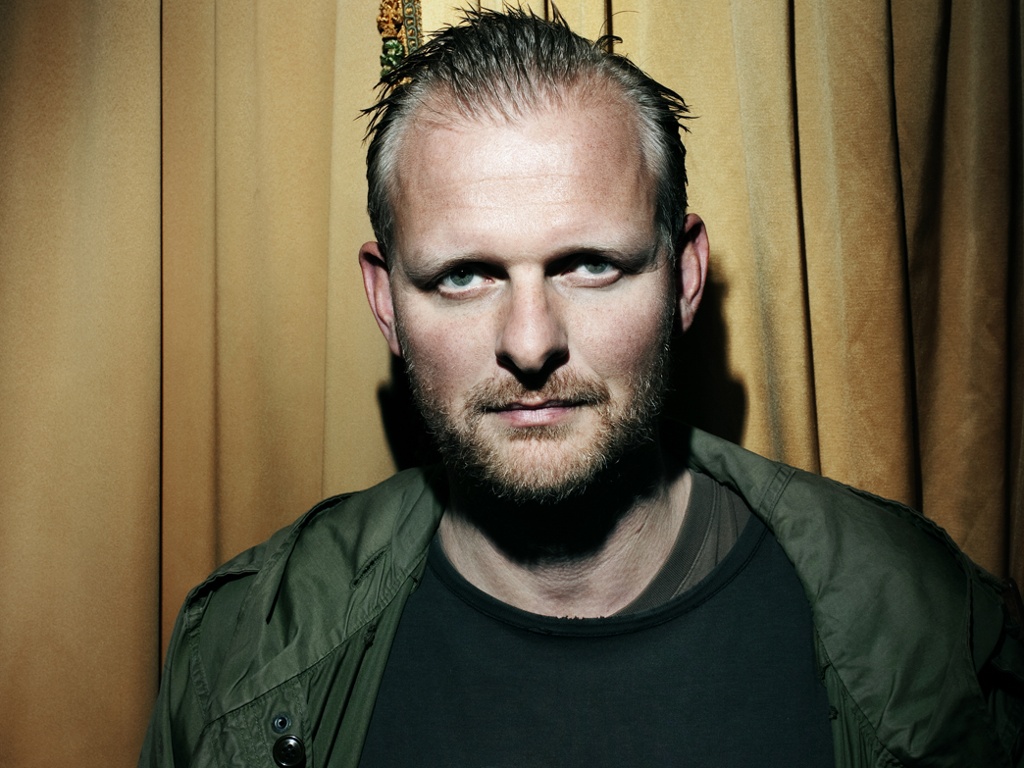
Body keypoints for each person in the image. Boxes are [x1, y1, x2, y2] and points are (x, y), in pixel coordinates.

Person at [139, 9, 1024, 768]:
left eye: (591, 265)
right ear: (386, 302)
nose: (531, 343)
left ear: (684, 279)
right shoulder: (242, 653)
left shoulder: (931, 628)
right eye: (463, 276)